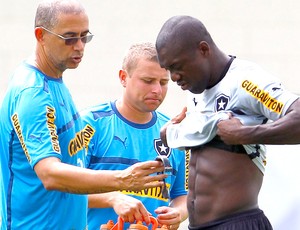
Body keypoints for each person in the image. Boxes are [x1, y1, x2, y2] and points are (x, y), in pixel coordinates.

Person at [0, 1, 166, 229]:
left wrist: (111, 197)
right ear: (41, 35)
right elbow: (50, 174)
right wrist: (122, 180)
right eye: (69, 38)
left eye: (84, 37)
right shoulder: (33, 94)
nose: (79, 46)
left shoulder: (54, 81)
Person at [155, 15, 300, 230]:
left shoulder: (245, 81)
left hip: (237, 223)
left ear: (203, 50)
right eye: (168, 69)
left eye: (177, 66)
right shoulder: (196, 90)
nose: (174, 77)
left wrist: (246, 135)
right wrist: (173, 133)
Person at [80, 42, 189, 230]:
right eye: (148, 81)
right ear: (123, 77)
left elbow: (184, 195)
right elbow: (62, 191)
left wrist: (178, 212)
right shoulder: (90, 125)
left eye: (163, 82)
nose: (157, 90)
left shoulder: (173, 131)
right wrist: (112, 199)